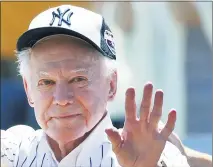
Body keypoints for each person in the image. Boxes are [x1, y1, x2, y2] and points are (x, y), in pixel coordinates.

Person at [0, 4, 200, 167]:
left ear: (111, 84)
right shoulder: (15, 150)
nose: (61, 98)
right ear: (28, 89)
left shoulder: (152, 153)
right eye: (46, 82)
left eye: (78, 79)